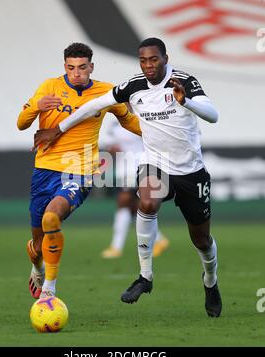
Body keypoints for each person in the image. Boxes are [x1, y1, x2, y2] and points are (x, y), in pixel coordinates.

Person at [33, 38, 222, 317]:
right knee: (146, 201)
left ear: (165, 58)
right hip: (155, 164)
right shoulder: (133, 86)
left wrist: (188, 102)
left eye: (154, 59)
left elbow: (213, 115)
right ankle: (145, 277)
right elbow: (91, 106)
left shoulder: (184, 81)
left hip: (191, 171)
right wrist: (56, 130)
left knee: (202, 240)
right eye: (143, 60)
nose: (148, 65)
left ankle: (210, 281)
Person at [17, 42, 141, 299]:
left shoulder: (106, 92)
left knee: (52, 218)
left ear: (91, 67)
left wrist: (165, 130)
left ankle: (49, 290)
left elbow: (130, 122)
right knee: (38, 245)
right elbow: (21, 124)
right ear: (65, 67)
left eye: (82, 67)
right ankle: (37, 264)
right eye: (71, 68)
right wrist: (37, 106)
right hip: (44, 170)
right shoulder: (50, 87)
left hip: (80, 170)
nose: (77, 73)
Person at [99, 119, 169, 259]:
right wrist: (111, 149)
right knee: (135, 208)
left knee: (124, 201)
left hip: (139, 167)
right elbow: (109, 145)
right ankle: (159, 239)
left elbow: (154, 141)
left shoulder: (140, 118)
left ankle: (116, 246)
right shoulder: (114, 124)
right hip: (123, 169)